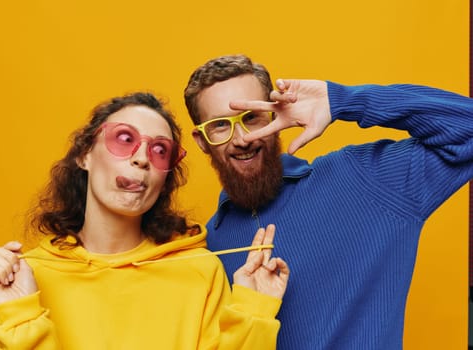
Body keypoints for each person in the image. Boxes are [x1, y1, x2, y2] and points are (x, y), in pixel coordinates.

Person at [184, 54, 473, 349]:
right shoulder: (208, 249)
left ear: (274, 115)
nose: (242, 138)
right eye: (220, 125)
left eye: (251, 117)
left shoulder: (364, 180)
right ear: (201, 140)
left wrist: (342, 101)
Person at [0, 92, 290, 349]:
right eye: (125, 139)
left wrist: (253, 311)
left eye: (159, 150)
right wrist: (19, 317)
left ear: (163, 179)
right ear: (84, 154)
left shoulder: (198, 271)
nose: (142, 158)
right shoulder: (25, 281)